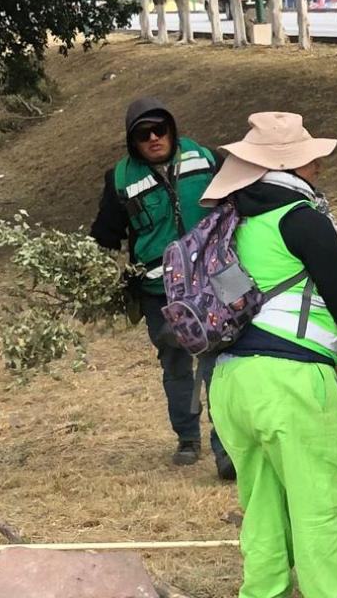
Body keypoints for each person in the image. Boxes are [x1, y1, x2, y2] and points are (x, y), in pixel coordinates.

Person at [200, 112, 337, 598]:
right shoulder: (301, 219)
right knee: (322, 506)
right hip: (290, 383)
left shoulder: (233, 218)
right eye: (312, 159)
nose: (319, 166)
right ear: (292, 166)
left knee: (263, 504)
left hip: (231, 382)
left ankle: (262, 592)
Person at [89, 97, 233, 477]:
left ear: (172, 129)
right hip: (159, 292)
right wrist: (91, 273)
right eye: (143, 134)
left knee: (219, 361)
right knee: (175, 362)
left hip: (213, 281)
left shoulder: (206, 159)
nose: (153, 138)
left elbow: (238, 205)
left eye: (160, 129)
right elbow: (105, 235)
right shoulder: (119, 180)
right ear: (132, 141)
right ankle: (188, 438)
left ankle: (226, 447)